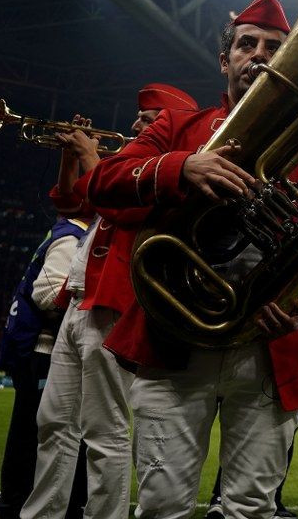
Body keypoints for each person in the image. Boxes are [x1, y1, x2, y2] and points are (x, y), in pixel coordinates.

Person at [87, 0, 298, 519]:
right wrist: (180, 168)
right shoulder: (176, 128)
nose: (261, 54)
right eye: (247, 44)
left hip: (268, 346)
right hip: (173, 338)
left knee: (250, 507)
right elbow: (100, 182)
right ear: (225, 60)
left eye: (276, 46)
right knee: (162, 505)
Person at [21, 84, 199, 519]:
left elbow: (125, 211)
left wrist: (90, 155)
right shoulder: (123, 166)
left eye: (148, 116)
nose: (136, 123)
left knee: (104, 431)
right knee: (54, 424)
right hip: (79, 301)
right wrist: (71, 157)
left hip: (117, 305)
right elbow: (71, 201)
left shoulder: (158, 174)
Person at [0, 201, 91, 518]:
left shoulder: (73, 231)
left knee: (40, 433)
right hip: (46, 353)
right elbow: (47, 293)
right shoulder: (73, 234)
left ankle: (21, 497)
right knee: (36, 435)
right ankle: (16, 498)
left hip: (46, 351)